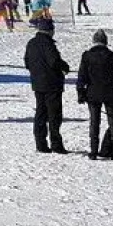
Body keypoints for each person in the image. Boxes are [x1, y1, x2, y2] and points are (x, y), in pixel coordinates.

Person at [76, 29, 113, 159]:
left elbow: (81, 76)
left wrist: (80, 92)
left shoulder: (87, 56)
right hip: (111, 93)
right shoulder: (110, 55)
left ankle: (93, 152)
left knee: (94, 123)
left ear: (94, 41)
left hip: (93, 94)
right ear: (105, 42)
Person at [24, 18, 70, 153]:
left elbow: (27, 63)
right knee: (54, 115)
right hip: (52, 84)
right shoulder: (48, 44)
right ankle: (56, 144)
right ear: (50, 31)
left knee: (40, 113)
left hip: (37, 84)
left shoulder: (31, 43)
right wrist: (64, 67)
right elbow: (54, 61)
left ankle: (40, 143)